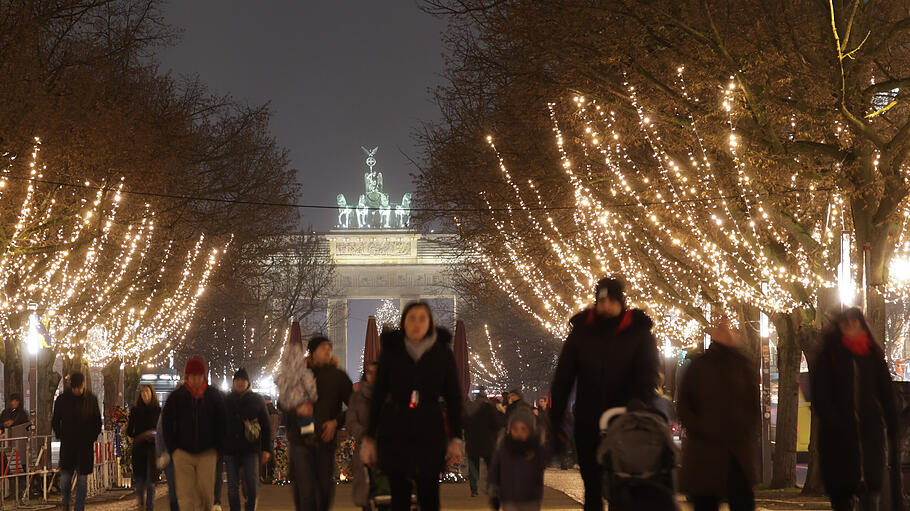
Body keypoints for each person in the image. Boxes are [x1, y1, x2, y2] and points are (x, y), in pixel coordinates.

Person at [550, 277, 660, 511]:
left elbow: (648, 373)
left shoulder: (638, 332)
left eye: (611, 300)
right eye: (602, 300)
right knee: (592, 485)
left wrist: (640, 404)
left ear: (620, 302)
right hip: (588, 420)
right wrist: (555, 419)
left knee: (623, 484)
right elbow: (563, 378)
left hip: (626, 420)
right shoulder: (581, 333)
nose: (606, 306)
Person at [361, 301, 464, 511]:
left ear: (430, 323)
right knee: (399, 496)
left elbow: (454, 398)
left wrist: (456, 437)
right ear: (404, 322)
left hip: (429, 428)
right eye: (412, 318)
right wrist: (370, 437)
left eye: (422, 318)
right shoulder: (391, 352)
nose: (416, 323)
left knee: (430, 494)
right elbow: (379, 395)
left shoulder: (442, 352)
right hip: (396, 428)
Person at [810, 307, 901, 511]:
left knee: (871, 491)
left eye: (855, 322)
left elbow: (886, 391)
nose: (851, 326)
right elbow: (820, 395)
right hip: (839, 438)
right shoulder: (829, 355)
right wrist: (835, 421)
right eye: (846, 323)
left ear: (862, 325)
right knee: (842, 492)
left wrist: (892, 421)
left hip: (869, 434)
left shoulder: (873, 355)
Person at [677, 317, 759, 511]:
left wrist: (742, 427)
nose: (726, 332)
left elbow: (752, 404)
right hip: (705, 450)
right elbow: (684, 405)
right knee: (706, 499)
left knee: (741, 498)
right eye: (722, 328)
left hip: (735, 450)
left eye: (730, 328)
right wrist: (701, 427)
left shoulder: (743, 366)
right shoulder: (700, 366)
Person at [284, 336, 352, 511]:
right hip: (300, 439)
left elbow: (354, 405)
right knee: (305, 488)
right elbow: (283, 402)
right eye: (323, 347)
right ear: (313, 352)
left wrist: (336, 422)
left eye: (329, 347)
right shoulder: (299, 373)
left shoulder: (338, 376)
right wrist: (297, 409)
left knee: (324, 487)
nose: (328, 350)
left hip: (325, 440)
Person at [162, 356, 227, 511]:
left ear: (203, 376)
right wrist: (173, 449)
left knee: (206, 494)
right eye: (193, 376)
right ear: (187, 377)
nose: (196, 379)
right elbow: (167, 423)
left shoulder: (214, 396)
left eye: (199, 375)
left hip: (208, 452)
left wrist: (219, 448)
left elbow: (223, 422)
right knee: (185, 496)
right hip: (182, 453)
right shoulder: (176, 397)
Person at [52, 372, 102, 511]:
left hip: (84, 446)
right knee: (66, 480)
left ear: (83, 385)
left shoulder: (91, 399)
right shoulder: (62, 400)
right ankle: (66, 503)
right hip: (69, 445)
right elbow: (56, 420)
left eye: (79, 388)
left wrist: (92, 437)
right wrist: (60, 435)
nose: (77, 391)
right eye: (75, 388)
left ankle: (79, 508)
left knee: (82, 481)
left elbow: (97, 421)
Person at [224, 368, 272, 511]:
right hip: (231, 449)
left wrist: (266, 449)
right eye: (237, 380)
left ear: (248, 383)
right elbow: (219, 423)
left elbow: (266, 426)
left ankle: (250, 507)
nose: (240, 383)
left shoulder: (256, 400)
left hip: (251, 449)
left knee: (252, 485)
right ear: (233, 383)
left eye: (243, 380)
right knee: (232, 488)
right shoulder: (226, 400)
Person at [488, 405, 551, 511]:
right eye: (515, 429)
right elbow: (494, 470)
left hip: (531, 499)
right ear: (510, 429)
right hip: (509, 498)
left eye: (523, 429)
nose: (519, 433)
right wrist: (494, 492)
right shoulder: (504, 448)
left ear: (531, 431)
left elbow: (547, 457)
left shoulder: (536, 449)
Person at [346, 361, 378, 510]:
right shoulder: (356, 398)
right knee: (366, 494)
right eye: (370, 372)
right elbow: (351, 422)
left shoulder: (390, 395)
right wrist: (364, 433)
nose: (373, 376)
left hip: (386, 448)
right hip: (364, 449)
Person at [127, 384, 161, 511]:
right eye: (142, 393)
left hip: (153, 450)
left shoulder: (158, 411)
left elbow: (162, 430)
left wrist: (153, 434)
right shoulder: (135, 411)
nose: (145, 395)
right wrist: (141, 435)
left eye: (147, 392)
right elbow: (129, 431)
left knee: (151, 482)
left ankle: (150, 507)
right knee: (140, 482)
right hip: (139, 449)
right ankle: (141, 504)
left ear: (152, 394)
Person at [464, 388, 502, 497]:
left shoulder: (469, 407)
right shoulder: (489, 408)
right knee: (490, 465)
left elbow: (463, 423)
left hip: (472, 441)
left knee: (473, 467)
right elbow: (496, 424)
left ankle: (474, 489)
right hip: (487, 442)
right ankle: (490, 487)